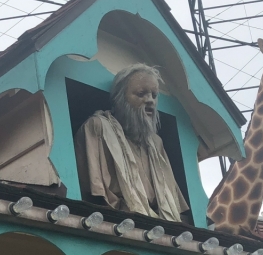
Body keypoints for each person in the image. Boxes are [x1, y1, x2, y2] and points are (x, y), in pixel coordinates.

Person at [74, 64, 189, 222]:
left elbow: (174, 201)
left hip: (161, 227)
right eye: (141, 94)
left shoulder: (156, 143)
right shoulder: (98, 127)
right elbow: (93, 193)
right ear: (120, 98)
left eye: (154, 95)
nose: (150, 101)